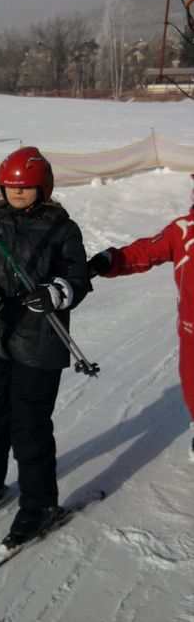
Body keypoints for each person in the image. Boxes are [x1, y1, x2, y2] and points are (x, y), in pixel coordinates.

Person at [0, 146, 90, 546]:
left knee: (29, 423)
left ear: (43, 187)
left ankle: (39, 504)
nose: (17, 194)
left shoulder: (62, 228)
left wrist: (56, 292)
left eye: (26, 188)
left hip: (39, 338)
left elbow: (78, 278)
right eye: (11, 188)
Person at [87, 175, 194, 459]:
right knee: (193, 384)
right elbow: (146, 251)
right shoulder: (183, 231)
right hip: (191, 332)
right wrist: (113, 260)